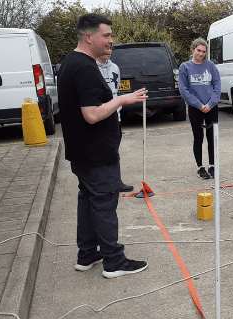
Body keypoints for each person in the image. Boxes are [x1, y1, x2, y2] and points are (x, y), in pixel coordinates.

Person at [59, 13, 149, 278]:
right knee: (104, 204)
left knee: (88, 200)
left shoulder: (72, 62)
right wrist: (123, 100)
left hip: (84, 152)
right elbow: (92, 114)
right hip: (96, 154)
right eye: (106, 35)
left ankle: (87, 254)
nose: (111, 40)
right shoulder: (85, 68)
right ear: (89, 37)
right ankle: (114, 261)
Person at [178, 38, 221, 180]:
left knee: (212, 137)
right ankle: (200, 168)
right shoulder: (185, 67)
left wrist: (210, 103)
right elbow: (184, 90)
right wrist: (199, 105)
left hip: (211, 107)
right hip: (196, 108)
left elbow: (217, 86)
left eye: (204, 51)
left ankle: (212, 165)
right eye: (199, 51)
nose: (201, 54)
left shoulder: (210, 66)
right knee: (198, 137)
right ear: (193, 50)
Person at [96, 57, 134, 192]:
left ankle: (117, 182)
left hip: (115, 117)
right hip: (100, 116)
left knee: (115, 151)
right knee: (101, 152)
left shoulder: (115, 68)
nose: (108, 50)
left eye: (110, 48)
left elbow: (116, 89)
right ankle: (103, 182)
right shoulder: (92, 68)